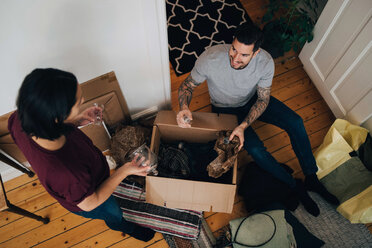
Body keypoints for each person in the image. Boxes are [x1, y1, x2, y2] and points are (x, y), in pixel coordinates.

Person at [176, 22, 339, 216]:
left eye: (244, 55)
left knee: (295, 122)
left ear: (256, 53)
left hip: (253, 99)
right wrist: (184, 107)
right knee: (255, 149)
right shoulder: (210, 58)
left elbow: (263, 98)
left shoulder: (265, 62)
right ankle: (294, 185)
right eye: (234, 50)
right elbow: (187, 86)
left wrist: (244, 125)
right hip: (224, 108)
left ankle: (311, 177)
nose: (235, 58)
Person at [8, 68, 155, 241]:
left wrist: (76, 121)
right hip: (90, 197)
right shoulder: (68, 174)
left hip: (86, 176)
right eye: (78, 102)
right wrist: (124, 171)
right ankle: (126, 227)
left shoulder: (18, 120)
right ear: (56, 117)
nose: (83, 100)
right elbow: (92, 202)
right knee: (114, 213)